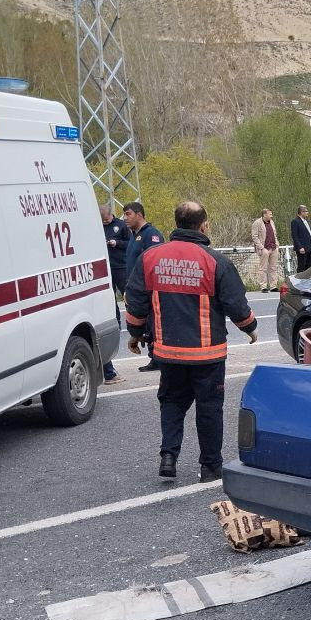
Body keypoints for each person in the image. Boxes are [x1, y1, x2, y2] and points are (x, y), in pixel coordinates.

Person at [124, 201, 257, 482]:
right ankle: (210, 467)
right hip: (207, 354)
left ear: (176, 224)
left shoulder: (151, 257)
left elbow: (135, 301)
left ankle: (168, 457)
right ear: (203, 225)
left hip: (168, 352)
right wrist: (250, 328)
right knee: (209, 408)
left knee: (171, 402)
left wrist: (135, 334)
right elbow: (236, 304)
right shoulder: (215, 261)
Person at [123, 202, 165, 372]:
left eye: (128, 214)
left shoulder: (151, 235)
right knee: (146, 324)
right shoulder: (134, 235)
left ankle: (158, 357)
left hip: (148, 289)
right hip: (135, 288)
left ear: (139, 214)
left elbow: (155, 262)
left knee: (153, 323)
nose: (125, 218)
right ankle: (153, 356)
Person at [101, 204, 131, 296]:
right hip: (105, 267)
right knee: (109, 296)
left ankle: (130, 310)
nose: (105, 222)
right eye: (103, 221)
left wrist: (117, 243)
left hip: (121, 266)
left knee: (127, 294)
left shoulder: (121, 225)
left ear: (111, 214)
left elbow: (130, 243)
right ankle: (114, 311)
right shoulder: (98, 226)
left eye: (106, 220)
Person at [250, 208, 280, 292]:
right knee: (263, 268)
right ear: (264, 215)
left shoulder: (272, 222)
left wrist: (277, 245)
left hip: (273, 247)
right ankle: (263, 286)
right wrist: (262, 248)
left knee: (273, 268)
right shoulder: (257, 223)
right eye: (270, 214)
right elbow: (254, 236)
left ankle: (273, 286)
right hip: (264, 249)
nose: (271, 216)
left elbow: (275, 234)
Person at [290, 205, 311, 273]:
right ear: (301, 212)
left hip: (309, 248)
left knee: (309, 267)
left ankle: (308, 282)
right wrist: (300, 247)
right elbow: (294, 236)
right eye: (306, 211)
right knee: (302, 266)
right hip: (302, 249)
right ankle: (299, 282)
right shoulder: (295, 221)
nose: (308, 213)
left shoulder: (306, 221)